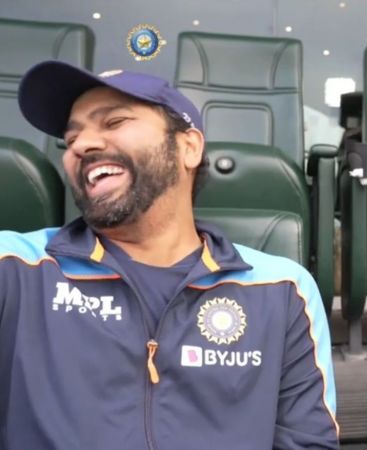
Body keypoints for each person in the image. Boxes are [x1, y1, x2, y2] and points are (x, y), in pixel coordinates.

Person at [0, 61, 339, 449]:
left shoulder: (282, 288)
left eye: (113, 122)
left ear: (189, 146)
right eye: (70, 137)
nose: (81, 145)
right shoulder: (16, 267)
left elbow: (306, 440)